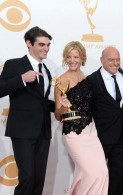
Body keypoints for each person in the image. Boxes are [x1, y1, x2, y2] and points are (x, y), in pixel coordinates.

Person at [0, 26, 54, 195]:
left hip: (43, 132)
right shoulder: (14, 64)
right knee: (28, 177)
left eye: (48, 45)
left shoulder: (46, 70)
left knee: (39, 179)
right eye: (41, 45)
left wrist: (60, 107)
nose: (46, 49)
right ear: (28, 43)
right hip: (23, 131)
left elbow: (42, 101)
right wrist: (21, 79)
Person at [54, 41, 108, 195]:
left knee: (101, 171)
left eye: (76, 57)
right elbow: (58, 115)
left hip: (91, 132)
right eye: (69, 57)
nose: (72, 60)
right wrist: (63, 107)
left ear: (82, 58)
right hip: (73, 134)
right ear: (65, 58)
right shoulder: (61, 81)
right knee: (91, 173)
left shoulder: (85, 77)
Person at [87, 46, 123, 195]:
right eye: (111, 59)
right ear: (102, 60)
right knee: (96, 174)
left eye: (118, 59)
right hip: (100, 136)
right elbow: (86, 109)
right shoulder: (92, 80)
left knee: (117, 173)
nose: (115, 63)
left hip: (120, 135)